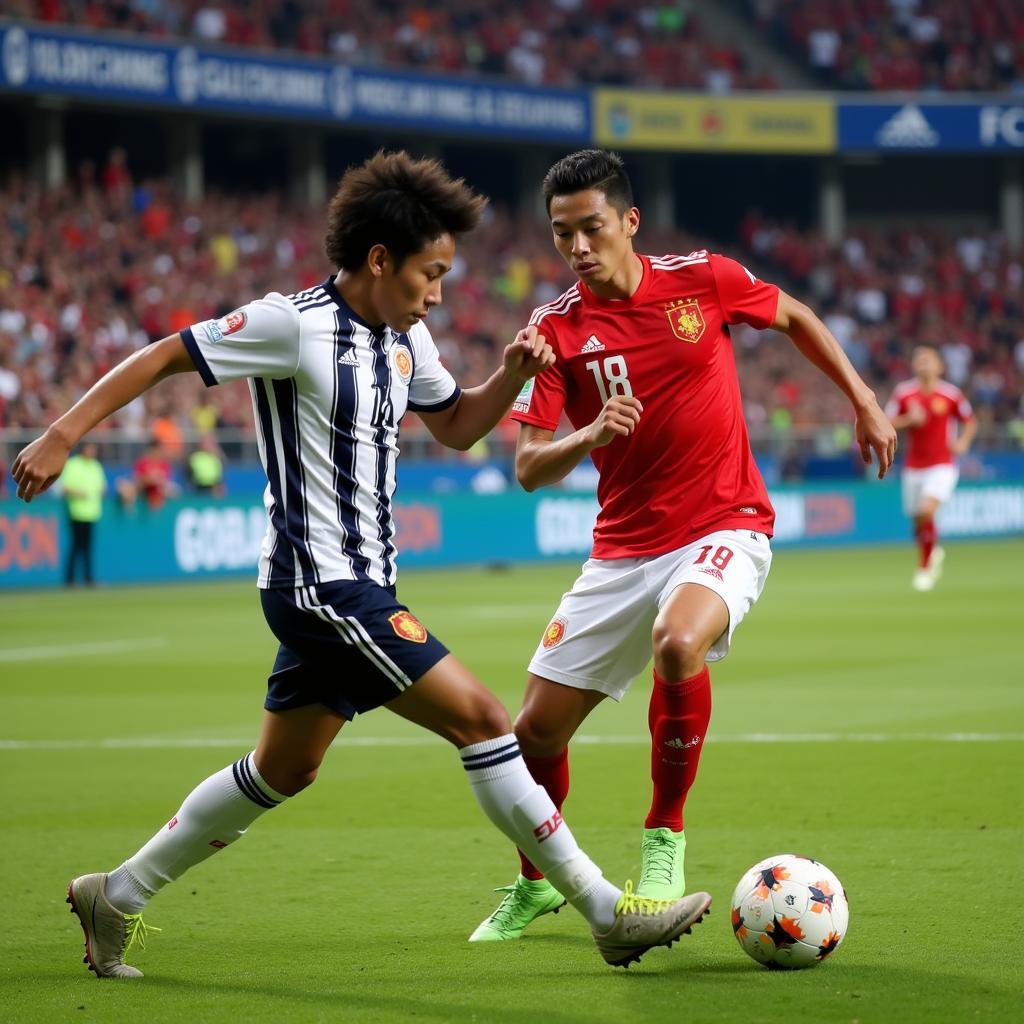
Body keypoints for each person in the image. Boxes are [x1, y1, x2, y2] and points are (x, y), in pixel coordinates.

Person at [11, 151, 711, 979]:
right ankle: (605, 913)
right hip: (320, 585)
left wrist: (511, 376)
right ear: (379, 260)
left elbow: (456, 426)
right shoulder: (291, 324)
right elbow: (166, 354)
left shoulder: (406, 333)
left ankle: (116, 894)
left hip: (360, 584)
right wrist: (63, 431)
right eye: (431, 272)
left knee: (285, 768)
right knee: (487, 721)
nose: (440, 291)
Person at [469, 149, 896, 942]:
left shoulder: (703, 278)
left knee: (677, 640)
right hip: (622, 550)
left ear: (629, 221)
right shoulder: (556, 331)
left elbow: (796, 315)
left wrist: (864, 399)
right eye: (563, 235)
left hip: (724, 522)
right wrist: (590, 433)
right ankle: (537, 884)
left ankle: (664, 839)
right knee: (533, 735)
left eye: (592, 228)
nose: (578, 248)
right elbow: (527, 466)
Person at [885, 345, 976, 591]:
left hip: (942, 464)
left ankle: (925, 567)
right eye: (920, 360)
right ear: (914, 365)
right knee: (917, 521)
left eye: (929, 359)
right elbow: (885, 423)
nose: (924, 363)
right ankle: (932, 549)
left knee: (926, 511)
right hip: (913, 466)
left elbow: (969, 420)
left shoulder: (951, 394)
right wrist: (908, 420)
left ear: (939, 366)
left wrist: (963, 442)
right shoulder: (904, 394)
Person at [59, 440, 107, 586]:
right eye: (90, 449)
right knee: (75, 547)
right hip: (76, 512)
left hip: (92, 513)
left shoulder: (96, 466)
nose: (92, 452)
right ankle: (70, 579)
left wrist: (100, 491)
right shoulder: (72, 465)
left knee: (87, 548)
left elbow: (102, 487)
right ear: (83, 450)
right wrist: (79, 493)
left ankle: (88, 578)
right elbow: (65, 487)